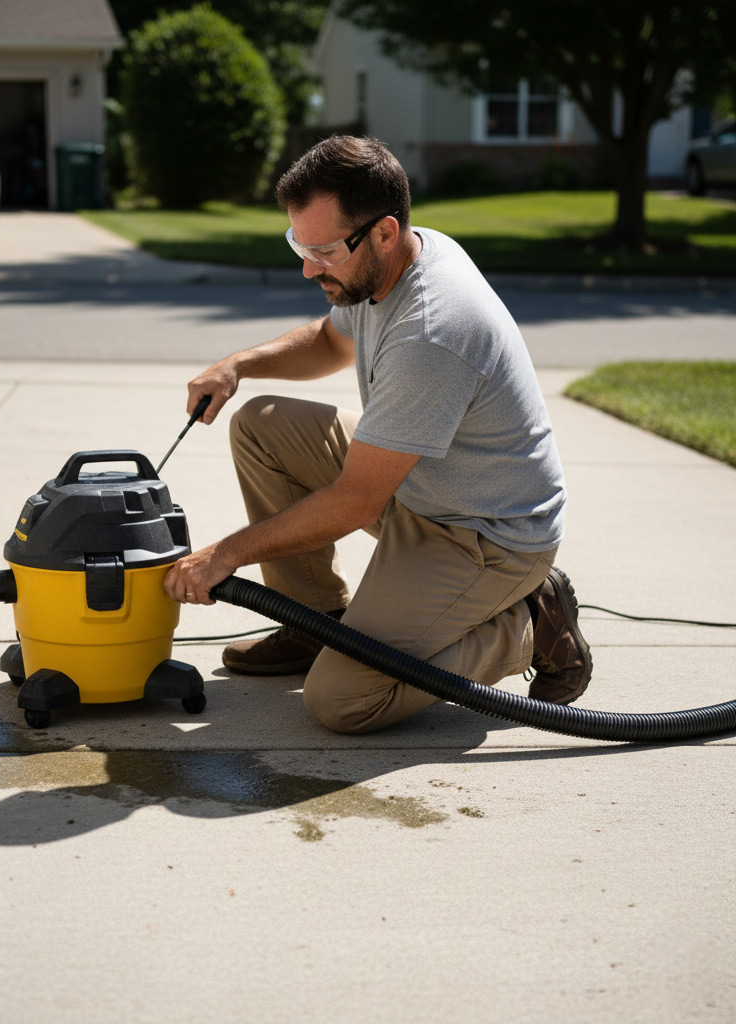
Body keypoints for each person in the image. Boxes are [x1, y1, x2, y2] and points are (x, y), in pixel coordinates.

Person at [163, 135, 592, 734]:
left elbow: (354, 502)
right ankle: (314, 619)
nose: (309, 268)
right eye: (299, 245)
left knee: (342, 700)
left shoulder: (433, 330)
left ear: (385, 231)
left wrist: (223, 556)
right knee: (264, 426)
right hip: (423, 483)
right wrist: (239, 364)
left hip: (484, 536)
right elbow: (332, 340)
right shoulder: (390, 260)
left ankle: (525, 620)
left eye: (325, 250)